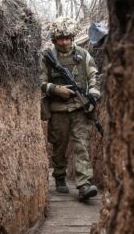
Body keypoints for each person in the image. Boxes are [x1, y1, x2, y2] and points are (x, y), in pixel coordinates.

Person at [39, 17, 100, 201]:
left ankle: (84, 184)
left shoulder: (83, 55)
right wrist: (56, 89)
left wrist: (92, 96)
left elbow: (93, 78)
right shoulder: (48, 57)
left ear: (72, 37)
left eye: (67, 38)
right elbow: (40, 82)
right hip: (58, 110)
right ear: (55, 40)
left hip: (79, 109)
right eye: (60, 38)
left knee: (81, 145)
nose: (64, 41)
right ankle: (59, 176)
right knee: (59, 146)